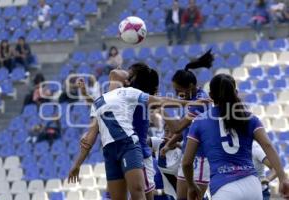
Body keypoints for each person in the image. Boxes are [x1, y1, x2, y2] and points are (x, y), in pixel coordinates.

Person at [68, 64, 206, 200]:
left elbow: (160, 102)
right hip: (118, 153)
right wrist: (86, 96)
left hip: (138, 154)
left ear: (128, 81)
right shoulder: (108, 99)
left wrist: (190, 103)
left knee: (140, 194)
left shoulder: (132, 96)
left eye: (127, 72)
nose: (119, 68)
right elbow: (101, 107)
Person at [182, 74, 289, 200]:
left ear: (210, 95)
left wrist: (191, 185)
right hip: (252, 186)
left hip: (224, 188)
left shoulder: (199, 121)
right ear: (236, 92)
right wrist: (283, 178)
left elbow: (187, 162)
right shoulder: (250, 118)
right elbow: (267, 145)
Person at [160, 50, 213, 200]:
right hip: (188, 157)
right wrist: (169, 144)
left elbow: (177, 127)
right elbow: (184, 129)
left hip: (201, 158)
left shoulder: (200, 103)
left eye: (179, 90)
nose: (177, 94)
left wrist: (161, 109)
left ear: (190, 86)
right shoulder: (193, 99)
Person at [149, 123, 183, 199]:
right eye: (167, 131)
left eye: (174, 132)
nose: (170, 135)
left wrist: (176, 145)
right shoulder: (160, 142)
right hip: (175, 195)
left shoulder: (186, 147)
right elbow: (141, 142)